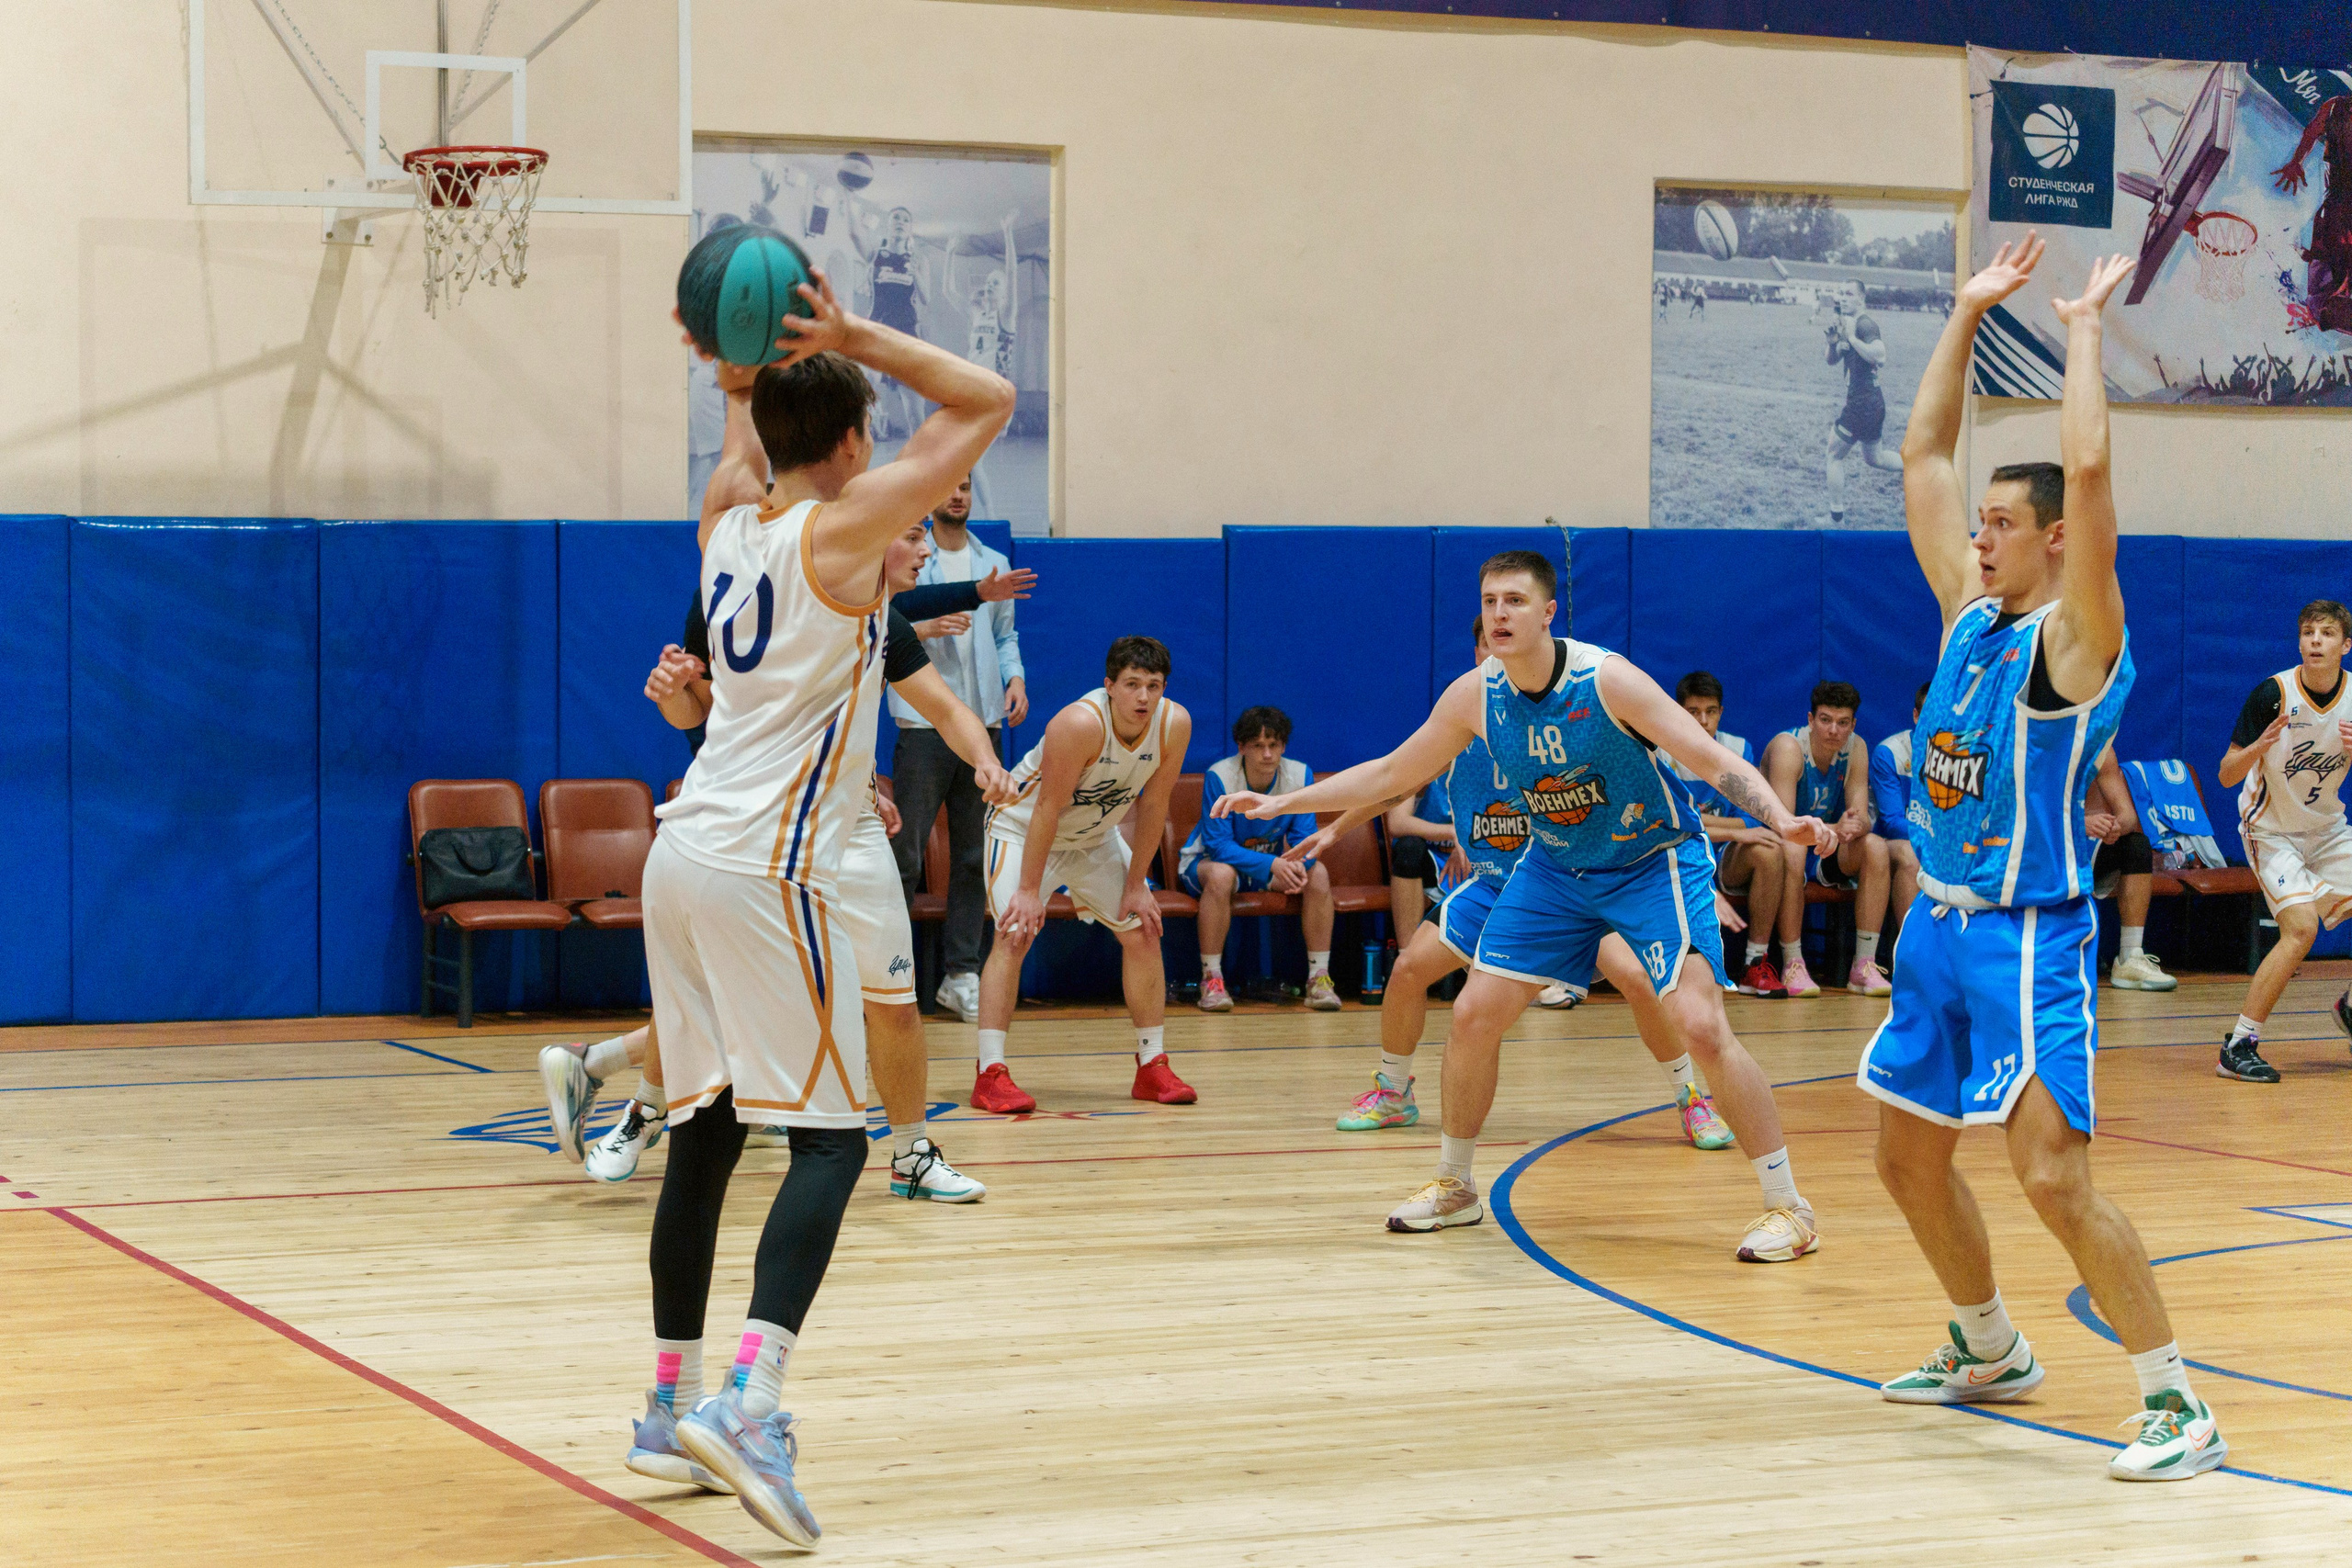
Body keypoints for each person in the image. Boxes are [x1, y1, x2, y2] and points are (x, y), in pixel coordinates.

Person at [632, 265, 1014, 1542]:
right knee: (837, 1141)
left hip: (678, 854)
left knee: (709, 1132)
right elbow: (986, 397)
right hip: (760, 866)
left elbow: (750, 439)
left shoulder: (728, 516)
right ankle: (751, 1400)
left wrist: (738, 372)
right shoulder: (835, 530)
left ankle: (666, 1400)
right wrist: (847, 335)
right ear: (852, 442)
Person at [1868, 236, 2225, 1481]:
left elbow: (2085, 460)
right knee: (1906, 1156)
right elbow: (1918, 455)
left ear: (2056, 541)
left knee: (2050, 1174)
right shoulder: (1970, 618)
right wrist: (1965, 312)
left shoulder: (2074, 647)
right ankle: (1989, 1344)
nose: (1980, 538)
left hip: (2030, 936)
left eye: (2004, 525)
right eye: (1981, 525)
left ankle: (2177, 1399)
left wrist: (2078, 328)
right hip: (1936, 927)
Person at [1217, 550, 1833, 1258]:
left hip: (1648, 859)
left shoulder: (1606, 680)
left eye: (1515, 601)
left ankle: (1790, 1206)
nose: (1500, 613)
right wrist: (1284, 802)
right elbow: (1392, 771)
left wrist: (1780, 818)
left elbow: (1704, 755)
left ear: (1548, 614)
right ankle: (1455, 1186)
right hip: (1556, 869)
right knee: (1475, 1013)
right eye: (1489, 602)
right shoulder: (1474, 695)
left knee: (1698, 1021)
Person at [1303, 615, 1737, 1153]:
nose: (1499, 656)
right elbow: (1393, 785)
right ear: (1478, 654)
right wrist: (1336, 829)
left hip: (1564, 882)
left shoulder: (1562, 716)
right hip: (1493, 884)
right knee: (1411, 968)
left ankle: (1689, 1096)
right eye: (1489, 645)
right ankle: (1394, 1091)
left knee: (1639, 979)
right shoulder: (1465, 718)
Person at [972, 636, 1195, 1112]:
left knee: (1144, 931)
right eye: (1132, 684)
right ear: (1109, 686)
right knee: (1014, 933)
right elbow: (1047, 810)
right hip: (1022, 830)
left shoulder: (1174, 724)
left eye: (1153, 686)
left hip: (1093, 839)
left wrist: (1137, 885)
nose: (1142, 697)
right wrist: (1030, 890)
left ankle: (1152, 1065)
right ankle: (990, 1073)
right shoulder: (1077, 724)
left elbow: (1155, 804)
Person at [886, 472, 1032, 1025]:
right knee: (906, 855)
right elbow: (888, 623)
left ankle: (962, 974)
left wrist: (1014, 677)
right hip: (922, 728)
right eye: (948, 485)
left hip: (983, 725)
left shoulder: (990, 562)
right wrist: (926, 630)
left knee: (976, 858)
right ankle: (892, 973)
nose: (958, 495)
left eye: (968, 486)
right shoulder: (904, 563)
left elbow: (1004, 636)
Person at [2213, 598, 2352, 1081]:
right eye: (2309, 632)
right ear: (2299, 642)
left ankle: (2350, 1008)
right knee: (2301, 929)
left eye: (2327, 633)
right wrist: (2258, 747)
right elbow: (2227, 775)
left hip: (2328, 829)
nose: (2316, 640)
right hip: (2270, 830)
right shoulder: (2272, 694)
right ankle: (2239, 1044)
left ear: (2345, 645)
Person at [1180, 706, 1340, 1012]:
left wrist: (1295, 867)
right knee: (1222, 874)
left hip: (1267, 866)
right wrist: (1272, 866)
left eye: (1274, 745)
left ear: (1283, 746)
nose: (1267, 754)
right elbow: (1218, 846)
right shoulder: (1221, 776)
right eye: (1258, 745)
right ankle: (1211, 980)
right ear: (1242, 747)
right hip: (1206, 863)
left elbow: (1305, 840)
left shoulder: (1299, 774)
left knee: (1318, 874)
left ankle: (1319, 979)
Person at [1762, 682, 1892, 997]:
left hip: (1823, 845)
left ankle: (1864, 964)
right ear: (1810, 719)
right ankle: (1793, 963)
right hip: (1775, 847)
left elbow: (1858, 819)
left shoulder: (1856, 747)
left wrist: (1856, 825)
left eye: (1843, 722)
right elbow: (1786, 826)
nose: (1834, 730)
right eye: (1825, 720)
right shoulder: (1788, 747)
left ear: (1853, 724)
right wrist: (1841, 825)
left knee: (1875, 847)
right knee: (1792, 849)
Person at [1669, 671, 1792, 997]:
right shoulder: (1662, 750)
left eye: (1711, 711)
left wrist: (1719, 828)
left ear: (1721, 712)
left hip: (1722, 858)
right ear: (1678, 711)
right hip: (1677, 856)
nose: (1703, 720)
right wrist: (1734, 834)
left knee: (1770, 850)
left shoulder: (1737, 749)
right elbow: (1675, 825)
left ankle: (1755, 963)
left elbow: (1752, 822)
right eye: (1693, 712)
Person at [2086, 745, 2176, 993]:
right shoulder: (2035, 738)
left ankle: (2130, 957)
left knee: (2136, 844)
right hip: (2041, 845)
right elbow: (2028, 811)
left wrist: (2116, 826)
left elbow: (2128, 815)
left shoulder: (2101, 747)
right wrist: (2081, 823)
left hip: (2083, 847)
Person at [1825, 295, 1903, 525]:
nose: (1843, 298)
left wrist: (1851, 339)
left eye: (1849, 294)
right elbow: (1831, 360)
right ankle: (1918, 468)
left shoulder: (1864, 324)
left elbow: (1881, 356)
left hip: (1862, 404)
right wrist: (1833, 343)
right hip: (1871, 403)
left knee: (1833, 455)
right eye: (1841, 293)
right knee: (1875, 458)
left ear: (1860, 298)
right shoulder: (1846, 324)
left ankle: (1835, 520)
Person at [1868, 682, 1928, 963]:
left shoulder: (1965, 752)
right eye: (1929, 713)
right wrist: (1940, 835)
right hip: (1891, 846)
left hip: (1937, 843)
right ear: (1916, 715)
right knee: (1909, 854)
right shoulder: (1890, 753)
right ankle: (1913, 961)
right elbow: (1892, 823)